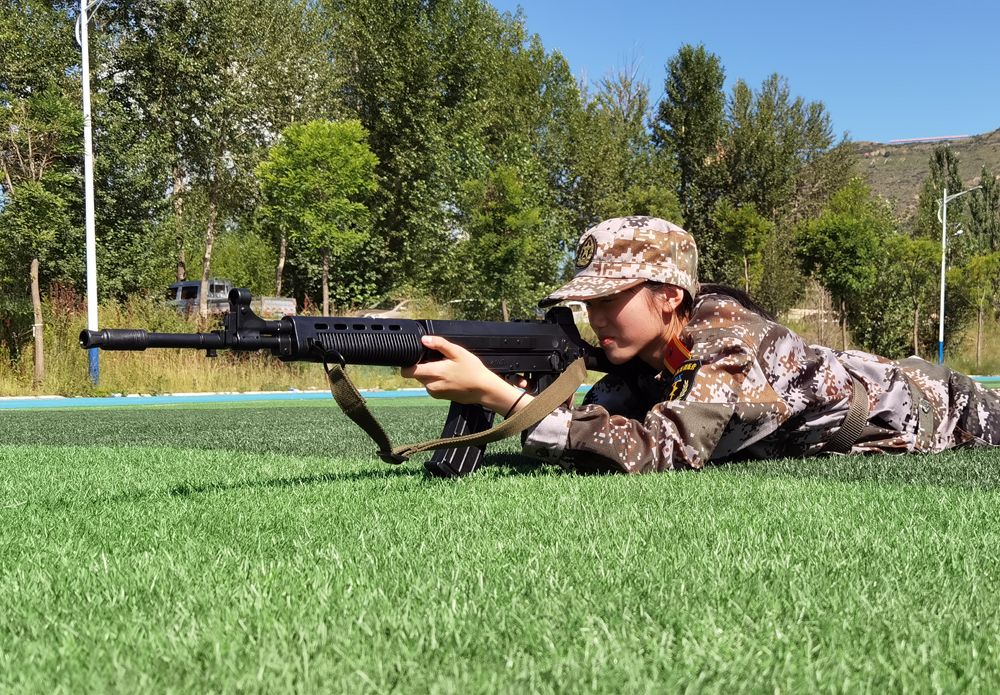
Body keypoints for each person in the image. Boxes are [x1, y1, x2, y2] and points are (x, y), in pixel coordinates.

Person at [402, 216, 1000, 473]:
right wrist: (526, 394)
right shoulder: (648, 358)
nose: (594, 314)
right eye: (587, 300)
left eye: (610, 297)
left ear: (668, 296)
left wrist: (503, 399)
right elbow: (595, 430)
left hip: (947, 409)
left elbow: (662, 450)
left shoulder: (724, 344)